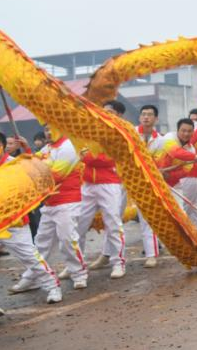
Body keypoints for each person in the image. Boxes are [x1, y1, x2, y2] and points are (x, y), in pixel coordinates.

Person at [2, 133, 63, 304]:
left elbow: (38, 175)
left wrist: (27, 150)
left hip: (14, 222)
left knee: (31, 257)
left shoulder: (14, 165)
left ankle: (52, 286)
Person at [73, 100, 128, 279]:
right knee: (78, 224)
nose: (105, 114)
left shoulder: (120, 133)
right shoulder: (91, 132)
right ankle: (76, 265)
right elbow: (81, 152)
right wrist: (88, 157)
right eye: (103, 111)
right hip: (88, 185)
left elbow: (110, 159)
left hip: (109, 184)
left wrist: (88, 158)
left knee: (112, 223)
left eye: (109, 112)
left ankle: (118, 263)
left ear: (118, 115)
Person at [31, 127, 89, 290]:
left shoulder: (69, 147)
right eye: (45, 129)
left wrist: (35, 175)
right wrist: (26, 150)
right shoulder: (47, 148)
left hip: (67, 201)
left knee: (67, 240)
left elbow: (55, 176)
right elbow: (32, 165)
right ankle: (33, 276)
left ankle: (79, 274)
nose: (48, 133)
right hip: (50, 203)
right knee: (41, 242)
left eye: (52, 129)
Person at [136, 104, 166, 267]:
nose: (146, 117)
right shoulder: (131, 133)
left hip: (147, 184)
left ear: (156, 119)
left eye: (149, 114)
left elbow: (159, 164)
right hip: (124, 180)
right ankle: (109, 256)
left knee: (147, 218)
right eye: (143, 114)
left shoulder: (160, 140)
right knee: (113, 219)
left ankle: (151, 254)